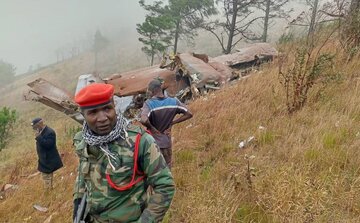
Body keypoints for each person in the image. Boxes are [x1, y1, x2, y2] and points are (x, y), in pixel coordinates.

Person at [73, 83, 175, 223]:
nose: (102, 118)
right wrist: (77, 206)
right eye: (93, 112)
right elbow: (83, 178)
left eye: (107, 109)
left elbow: (165, 185)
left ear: (114, 107)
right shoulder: (83, 142)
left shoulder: (140, 141)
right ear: (82, 115)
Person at [140, 80, 193, 168]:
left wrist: (152, 129)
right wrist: (172, 123)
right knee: (167, 169)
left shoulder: (149, 104)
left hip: (152, 144)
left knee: (154, 171)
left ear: (152, 91)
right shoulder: (173, 102)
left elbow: (143, 120)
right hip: (166, 142)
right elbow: (189, 114)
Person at [31, 118, 63, 190]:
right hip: (43, 159)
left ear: (39, 124)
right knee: (46, 177)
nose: (34, 129)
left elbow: (48, 145)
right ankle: (49, 191)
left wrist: (38, 137)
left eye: (35, 127)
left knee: (47, 177)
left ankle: (48, 193)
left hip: (49, 159)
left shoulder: (49, 132)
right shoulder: (40, 131)